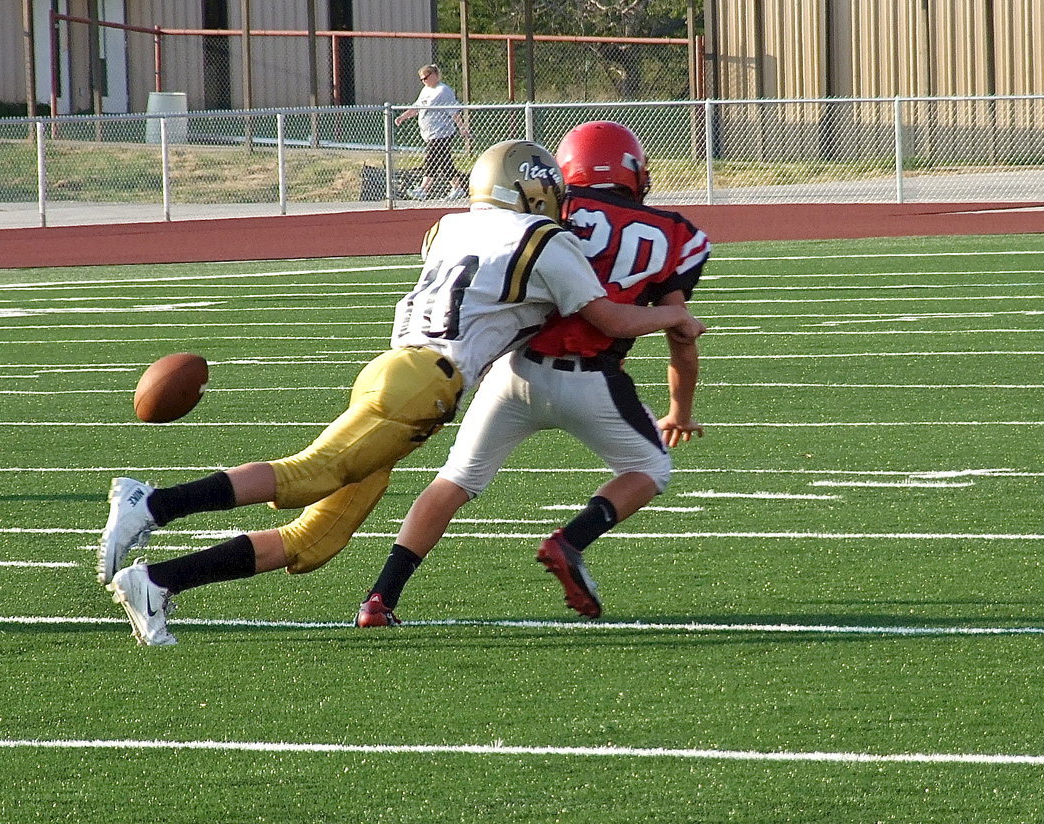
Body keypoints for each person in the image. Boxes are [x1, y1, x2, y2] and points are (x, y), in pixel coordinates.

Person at [97, 138, 699, 645]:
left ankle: (158, 584)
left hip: (396, 370)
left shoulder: (447, 227)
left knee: (316, 539)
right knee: (310, 472)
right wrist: (673, 319)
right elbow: (610, 321)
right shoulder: (547, 240)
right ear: (534, 188)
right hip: (423, 385)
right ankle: (151, 505)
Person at [354, 121, 710, 628]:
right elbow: (680, 338)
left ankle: (379, 597)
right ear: (633, 169)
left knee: (455, 480)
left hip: (514, 371)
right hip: (593, 379)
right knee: (650, 469)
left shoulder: (547, 207)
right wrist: (681, 410)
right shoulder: (674, 232)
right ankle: (570, 542)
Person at [394, 64, 470, 200]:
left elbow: (454, 112)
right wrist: (403, 117)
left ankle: (424, 189)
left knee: (431, 158)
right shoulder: (425, 91)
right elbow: (416, 107)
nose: (424, 81)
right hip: (429, 133)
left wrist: (462, 127)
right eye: (421, 79)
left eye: (425, 78)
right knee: (444, 161)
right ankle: (457, 188)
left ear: (434, 75)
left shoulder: (443, 91)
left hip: (441, 132)